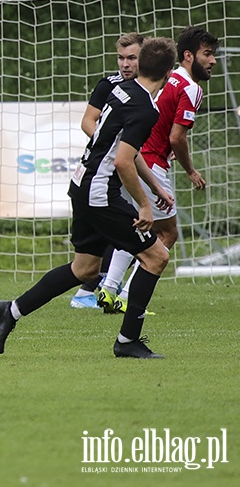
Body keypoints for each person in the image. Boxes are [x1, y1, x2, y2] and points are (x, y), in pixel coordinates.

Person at [0, 37, 177, 359]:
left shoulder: (122, 91)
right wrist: (145, 205)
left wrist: (156, 188)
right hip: (99, 193)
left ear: (142, 62)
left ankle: (14, 310)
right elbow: (122, 161)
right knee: (157, 256)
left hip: (82, 184)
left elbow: (124, 153)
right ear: (169, 72)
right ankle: (127, 341)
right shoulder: (146, 108)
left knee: (85, 269)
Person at [96, 26, 217, 314]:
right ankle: (128, 295)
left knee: (137, 227)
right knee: (167, 233)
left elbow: (161, 128)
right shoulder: (191, 88)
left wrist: (166, 145)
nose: (213, 61)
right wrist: (190, 170)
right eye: (208, 54)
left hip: (135, 155)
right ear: (188, 56)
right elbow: (177, 137)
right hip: (148, 164)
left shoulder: (167, 77)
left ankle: (109, 289)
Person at [69, 32, 145, 309]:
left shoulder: (151, 89)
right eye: (121, 58)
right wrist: (114, 143)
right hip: (108, 167)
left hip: (136, 163)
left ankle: (106, 287)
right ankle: (101, 289)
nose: (125, 64)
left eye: (132, 58)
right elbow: (88, 121)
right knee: (133, 226)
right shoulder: (108, 86)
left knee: (132, 226)